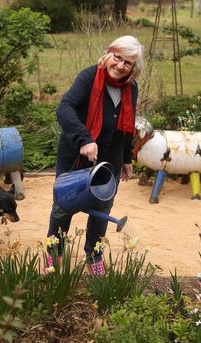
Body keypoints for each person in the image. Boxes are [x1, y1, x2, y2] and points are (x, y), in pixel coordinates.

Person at [46, 35, 144, 276]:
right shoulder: (89, 77)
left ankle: (94, 256)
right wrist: (85, 139)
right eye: (117, 57)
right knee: (63, 208)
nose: (120, 65)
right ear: (108, 54)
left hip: (107, 163)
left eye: (128, 63)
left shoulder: (131, 88)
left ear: (134, 68)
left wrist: (127, 158)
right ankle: (53, 257)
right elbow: (65, 108)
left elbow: (126, 126)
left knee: (101, 210)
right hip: (75, 158)